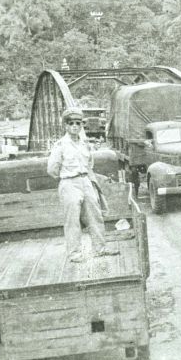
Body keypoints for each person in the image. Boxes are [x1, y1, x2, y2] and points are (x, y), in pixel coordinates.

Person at [47, 107, 119, 263]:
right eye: (71, 123)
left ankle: (100, 248)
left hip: (85, 181)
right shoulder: (60, 145)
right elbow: (52, 169)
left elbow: (89, 163)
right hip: (69, 182)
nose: (74, 126)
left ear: (81, 126)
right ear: (65, 126)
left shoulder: (84, 144)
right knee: (72, 220)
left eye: (78, 123)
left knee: (95, 215)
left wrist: (87, 180)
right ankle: (74, 253)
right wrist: (66, 179)